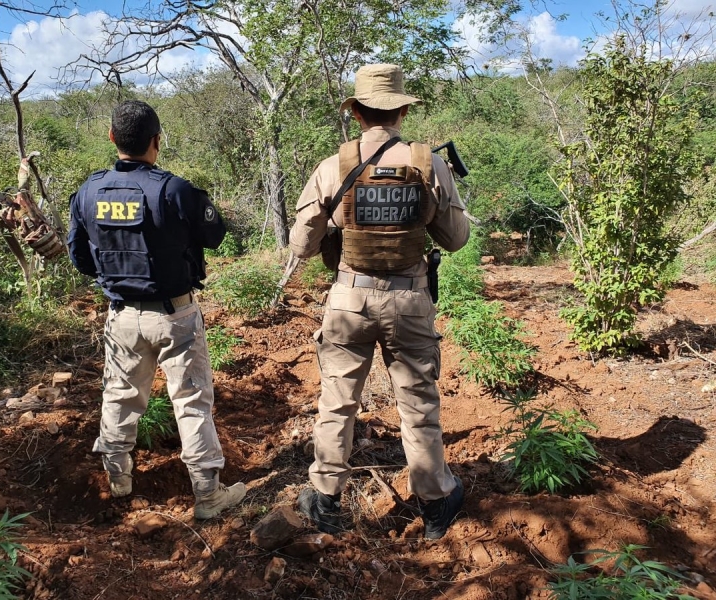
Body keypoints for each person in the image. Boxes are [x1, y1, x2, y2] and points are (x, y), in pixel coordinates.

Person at [289, 64, 470, 540]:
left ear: (357, 113)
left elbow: (301, 245)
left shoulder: (333, 166)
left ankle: (325, 499)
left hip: (348, 300)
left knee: (337, 401)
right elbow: (455, 239)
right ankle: (435, 504)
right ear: (402, 110)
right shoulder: (429, 164)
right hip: (409, 299)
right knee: (418, 405)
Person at [67, 100, 246, 519]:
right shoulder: (174, 190)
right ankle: (208, 497)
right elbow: (216, 235)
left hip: (122, 317)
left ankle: (119, 482)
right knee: (192, 402)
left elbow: (81, 258)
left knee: (119, 397)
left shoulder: (88, 192)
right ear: (157, 140)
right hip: (175, 316)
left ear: (112, 137)